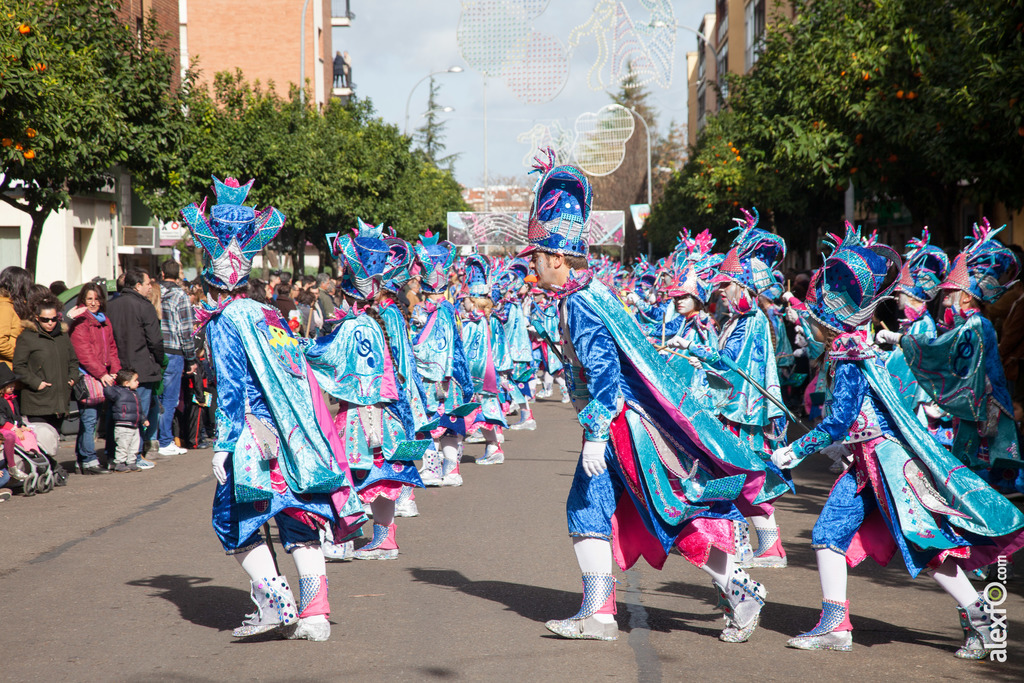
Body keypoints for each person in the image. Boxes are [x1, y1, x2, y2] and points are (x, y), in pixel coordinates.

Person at [521, 151, 776, 643]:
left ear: (555, 256)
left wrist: (596, 434)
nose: (534, 267)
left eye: (535, 257)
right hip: (620, 426)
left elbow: (607, 378)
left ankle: (739, 589)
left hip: (620, 429)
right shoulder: (588, 292)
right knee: (604, 510)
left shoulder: (579, 302)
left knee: (661, 513)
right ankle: (599, 614)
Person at [771, 224, 1024, 658]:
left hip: (884, 465)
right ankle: (836, 624)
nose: (809, 323)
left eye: (812, 317)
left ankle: (981, 619)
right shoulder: (852, 346)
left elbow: (838, 420)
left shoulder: (849, 352)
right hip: (869, 464)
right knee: (831, 534)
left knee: (926, 544)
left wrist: (795, 449)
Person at [181, 175, 364, 641]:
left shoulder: (226, 320)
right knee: (299, 518)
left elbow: (233, 390)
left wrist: (222, 445)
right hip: (291, 435)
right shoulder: (268, 312)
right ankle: (316, 615)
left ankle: (275, 603)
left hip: (251, 439)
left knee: (233, 522)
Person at [303, 220, 427, 561]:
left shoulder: (352, 324)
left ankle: (342, 540)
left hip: (356, 413)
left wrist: (299, 346)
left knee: (344, 474)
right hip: (384, 412)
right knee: (381, 474)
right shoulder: (379, 319)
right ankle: (384, 539)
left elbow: (324, 358)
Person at [410, 231, 476, 487]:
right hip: (455, 377)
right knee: (450, 424)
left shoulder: (421, 310)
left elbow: (418, 344)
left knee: (428, 424)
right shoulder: (452, 310)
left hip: (430, 378)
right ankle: (451, 470)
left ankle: (432, 469)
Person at [107, 269, 164, 462]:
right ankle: (135, 455)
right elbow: (155, 340)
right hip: (141, 370)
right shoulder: (144, 306)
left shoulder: (111, 306)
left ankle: (113, 453)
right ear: (137, 285)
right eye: (147, 283)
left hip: (118, 367)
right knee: (139, 413)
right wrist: (158, 360)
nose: (150, 287)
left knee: (117, 415)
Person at [68, 283, 120, 474]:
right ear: (82, 300)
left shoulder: (104, 320)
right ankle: (88, 460)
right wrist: (102, 373)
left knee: (92, 419)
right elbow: (84, 353)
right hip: (88, 375)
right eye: (89, 299)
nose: (93, 303)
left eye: (96, 298)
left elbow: (112, 348)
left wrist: (114, 370)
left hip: (103, 375)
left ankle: (82, 458)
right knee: (89, 418)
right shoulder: (81, 322)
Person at [13, 294, 79, 433]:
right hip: (38, 402)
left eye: (54, 319)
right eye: (45, 319)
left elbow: (73, 360)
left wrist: (72, 378)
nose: (50, 323)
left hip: (60, 400)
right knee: (41, 443)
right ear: (37, 318)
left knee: (53, 441)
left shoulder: (62, 335)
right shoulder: (27, 337)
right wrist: (37, 383)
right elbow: (19, 367)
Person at [157, 261, 197, 457]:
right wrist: (191, 358)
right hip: (174, 350)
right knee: (170, 398)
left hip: (155, 349)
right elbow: (186, 330)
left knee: (156, 397)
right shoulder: (180, 295)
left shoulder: (153, 292)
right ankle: (165, 441)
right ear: (177, 275)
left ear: (162, 273)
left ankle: (154, 438)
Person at [103, 368, 148, 473]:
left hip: (134, 425)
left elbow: (139, 409)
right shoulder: (118, 391)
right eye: (135, 380)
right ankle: (119, 463)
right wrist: (110, 382)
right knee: (122, 446)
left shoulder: (135, 393)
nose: (138, 382)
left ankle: (131, 462)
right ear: (127, 383)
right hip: (123, 424)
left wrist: (143, 419)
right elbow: (108, 392)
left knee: (134, 446)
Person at [0, 266, 33, 369]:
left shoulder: (9, 305)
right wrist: (20, 357)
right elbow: (1, 342)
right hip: (7, 370)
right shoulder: (4, 307)